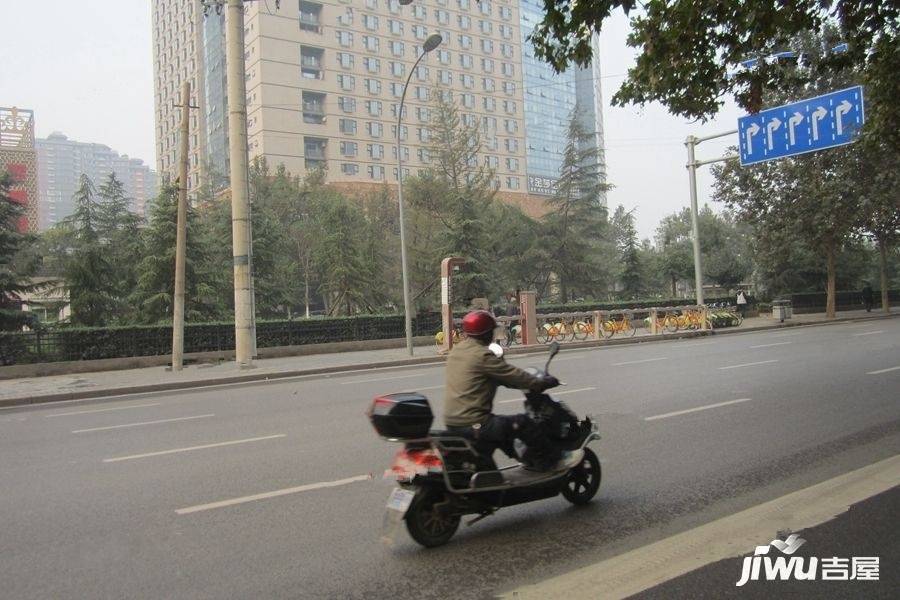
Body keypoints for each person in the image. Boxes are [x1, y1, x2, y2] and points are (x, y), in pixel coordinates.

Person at [442, 310, 577, 472]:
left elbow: (502, 378)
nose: (493, 335)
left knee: (504, 431)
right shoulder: (482, 355)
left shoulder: (457, 351)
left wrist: (514, 381)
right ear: (486, 333)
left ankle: (527, 459)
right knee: (523, 423)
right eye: (491, 331)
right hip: (475, 423)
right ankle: (549, 462)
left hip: (453, 423)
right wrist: (541, 383)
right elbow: (513, 375)